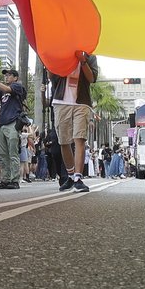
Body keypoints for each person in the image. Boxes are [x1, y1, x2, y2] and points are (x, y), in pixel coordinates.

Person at [51, 51, 99, 194]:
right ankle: (71, 175)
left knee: (80, 139)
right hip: (61, 102)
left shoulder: (91, 56)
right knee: (64, 141)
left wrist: (82, 60)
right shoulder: (61, 53)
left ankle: (78, 177)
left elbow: (91, 78)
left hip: (81, 103)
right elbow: (51, 76)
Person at [0, 68, 27, 189]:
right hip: (2, 124)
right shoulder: (2, 91)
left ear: (15, 77)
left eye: (9, 75)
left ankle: (14, 180)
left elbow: (7, 89)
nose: (6, 77)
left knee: (13, 153)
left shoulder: (17, 86)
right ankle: (5, 180)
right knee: (2, 154)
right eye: (5, 75)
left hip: (12, 123)